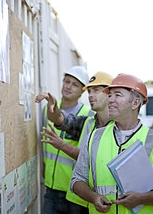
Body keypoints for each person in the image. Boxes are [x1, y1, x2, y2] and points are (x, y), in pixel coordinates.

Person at [70, 73, 153, 214]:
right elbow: (77, 180)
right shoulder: (94, 137)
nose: (110, 100)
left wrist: (141, 199)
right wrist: (93, 197)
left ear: (135, 103)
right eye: (109, 95)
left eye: (118, 95)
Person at [35, 71, 114, 213]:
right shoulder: (88, 122)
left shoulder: (117, 129)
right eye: (89, 91)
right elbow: (61, 119)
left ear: (111, 95)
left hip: (100, 201)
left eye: (96, 90)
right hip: (78, 194)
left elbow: (91, 159)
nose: (90, 95)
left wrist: (61, 145)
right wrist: (52, 108)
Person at [36, 66, 93, 214]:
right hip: (51, 188)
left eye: (75, 84)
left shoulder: (88, 116)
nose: (68, 86)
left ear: (83, 91)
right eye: (67, 82)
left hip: (74, 192)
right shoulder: (47, 111)